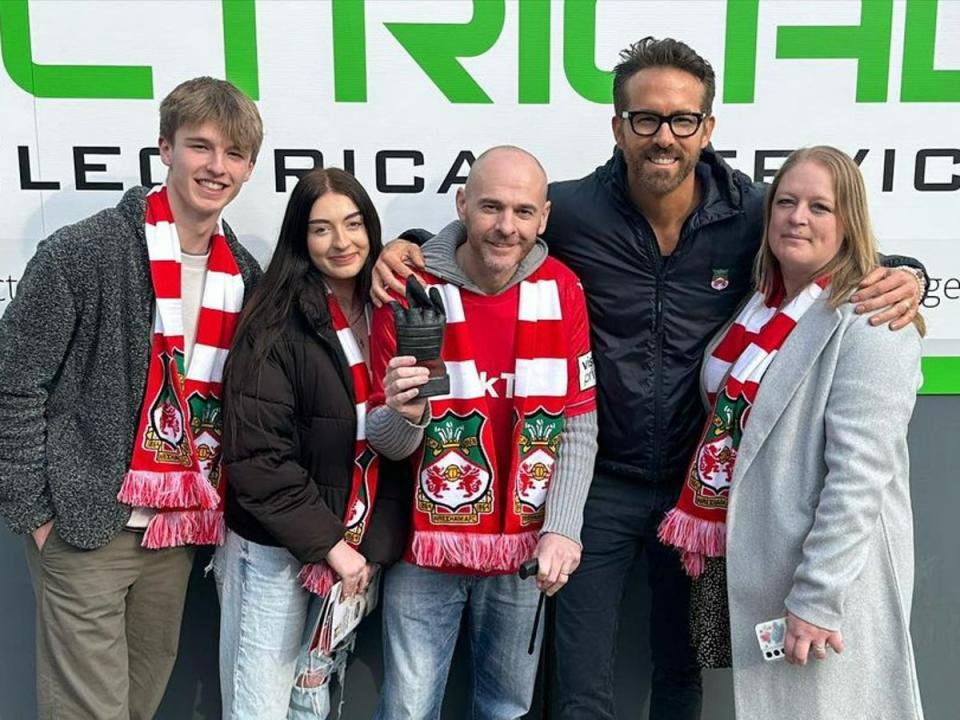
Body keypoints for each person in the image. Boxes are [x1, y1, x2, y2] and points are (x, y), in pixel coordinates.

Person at [372, 38, 926, 720]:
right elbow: (493, 229)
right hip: (598, 487)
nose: (664, 136)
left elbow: (835, 239)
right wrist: (408, 248)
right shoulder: (571, 210)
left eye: (682, 119)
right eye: (646, 119)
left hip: (705, 501)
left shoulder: (755, 212)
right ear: (618, 126)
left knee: (684, 672)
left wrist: (909, 273)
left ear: (708, 128)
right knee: (576, 682)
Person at [0, 77, 263, 719]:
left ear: (250, 168)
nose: (216, 167)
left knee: (139, 703)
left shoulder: (246, 275)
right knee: (89, 712)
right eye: (200, 147)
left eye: (233, 154)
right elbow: (14, 384)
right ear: (164, 148)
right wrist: (37, 515)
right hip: (85, 524)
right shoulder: (83, 252)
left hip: (174, 533)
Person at [659, 146, 925, 719]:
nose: (798, 217)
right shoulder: (760, 306)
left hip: (821, 574)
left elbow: (859, 479)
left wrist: (818, 596)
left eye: (820, 207)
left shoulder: (873, 321)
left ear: (849, 221)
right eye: (786, 202)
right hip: (755, 554)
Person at [367, 145, 598, 720]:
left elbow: (578, 422)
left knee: (505, 710)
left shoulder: (563, 289)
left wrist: (563, 530)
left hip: (524, 549)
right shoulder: (406, 287)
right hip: (426, 549)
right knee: (407, 709)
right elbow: (383, 439)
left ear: (544, 218)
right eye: (491, 207)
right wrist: (406, 413)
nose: (505, 226)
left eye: (523, 212)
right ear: (462, 204)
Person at [215, 167, 410, 719]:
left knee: (310, 698)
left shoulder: (390, 308)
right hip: (277, 551)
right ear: (301, 239)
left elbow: (451, 246)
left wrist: (367, 548)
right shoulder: (273, 321)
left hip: (355, 547)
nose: (341, 242)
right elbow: (258, 457)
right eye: (321, 229)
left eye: (353, 224)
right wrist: (333, 548)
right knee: (261, 709)